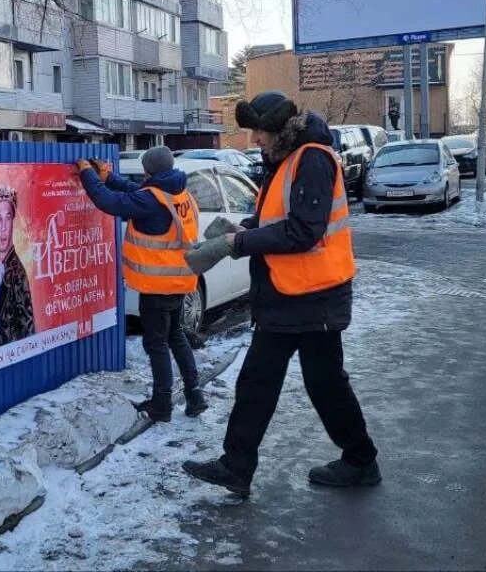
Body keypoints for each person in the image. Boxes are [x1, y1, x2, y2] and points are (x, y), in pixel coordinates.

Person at [183, 91, 380, 499]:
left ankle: (361, 461)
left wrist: (240, 244)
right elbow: (280, 218)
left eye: (258, 131)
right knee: (258, 380)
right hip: (287, 295)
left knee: (325, 384)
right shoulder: (286, 160)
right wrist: (242, 226)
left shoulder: (312, 159)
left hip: (315, 295)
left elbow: (305, 231)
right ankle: (237, 466)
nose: (253, 139)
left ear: (278, 130)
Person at [76, 147, 208, 422]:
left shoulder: (151, 199)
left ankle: (162, 403)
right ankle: (195, 395)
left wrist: (88, 174)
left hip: (157, 284)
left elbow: (111, 202)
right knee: (176, 336)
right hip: (181, 280)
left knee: (156, 344)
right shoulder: (180, 192)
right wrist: (109, 176)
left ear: (150, 171)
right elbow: (135, 191)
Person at [0, 185, 35, 347]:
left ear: (13, 221)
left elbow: (28, 329)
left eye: (7, 218)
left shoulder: (18, 273)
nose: (3, 228)